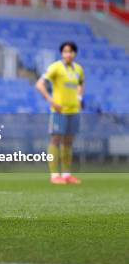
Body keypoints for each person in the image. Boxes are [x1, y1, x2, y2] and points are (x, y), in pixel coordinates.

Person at [35, 41, 84, 185]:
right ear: (62, 53)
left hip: (74, 111)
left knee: (68, 142)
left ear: (75, 53)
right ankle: (54, 175)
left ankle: (67, 175)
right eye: (65, 51)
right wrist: (51, 101)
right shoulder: (56, 67)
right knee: (55, 141)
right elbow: (39, 84)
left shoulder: (78, 69)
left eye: (70, 51)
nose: (68, 54)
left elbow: (81, 83)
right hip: (59, 112)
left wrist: (79, 97)